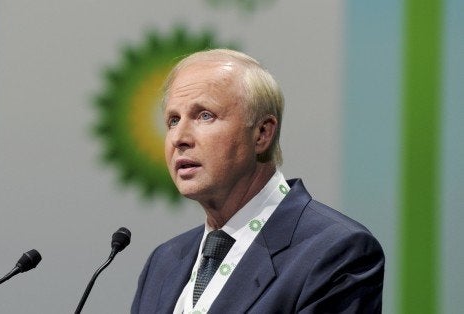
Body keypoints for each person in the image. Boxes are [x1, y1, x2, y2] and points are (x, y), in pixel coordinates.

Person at [131, 49, 384, 313]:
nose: (179, 138)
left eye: (205, 115)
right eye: (173, 120)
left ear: (262, 133)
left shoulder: (335, 251)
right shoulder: (163, 263)